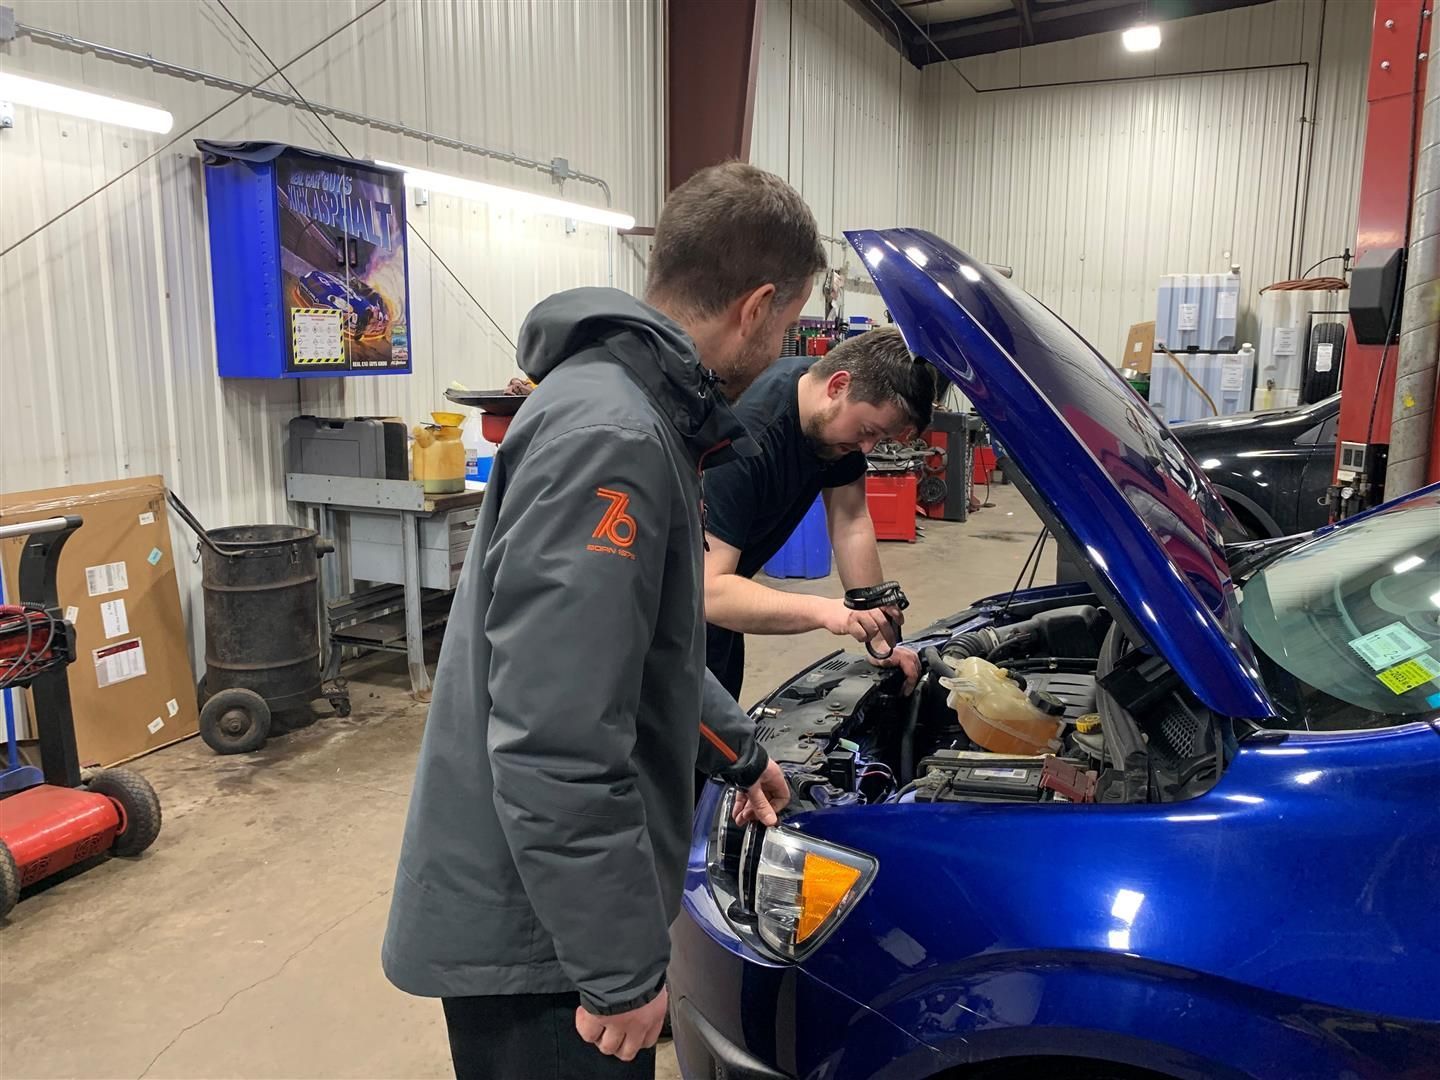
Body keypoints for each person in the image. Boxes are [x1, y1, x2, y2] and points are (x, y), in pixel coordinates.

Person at [380, 162, 826, 1079]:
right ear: (756, 305)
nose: (783, 351)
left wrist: (740, 749)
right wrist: (621, 974)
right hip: (538, 941)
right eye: (787, 329)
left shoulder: (630, 413)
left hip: (552, 912)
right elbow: (556, 738)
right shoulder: (613, 440)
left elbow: (637, 654)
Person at [701, 327, 935, 703]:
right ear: (838, 386)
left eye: (879, 439)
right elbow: (708, 591)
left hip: (725, 613)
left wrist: (875, 627)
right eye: (866, 431)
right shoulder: (744, 442)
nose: (866, 447)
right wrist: (831, 612)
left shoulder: (822, 401)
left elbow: (850, 520)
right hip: (665, 629)